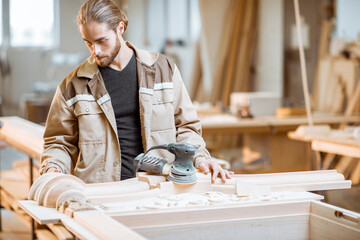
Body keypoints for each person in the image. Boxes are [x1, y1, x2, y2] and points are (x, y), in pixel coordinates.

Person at [40, 0, 233, 183]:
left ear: (120, 29)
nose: (95, 51)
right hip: (101, 192)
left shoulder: (163, 70)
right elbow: (59, 143)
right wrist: (53, 167)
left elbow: (186, 126)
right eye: (88, 42)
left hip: (159, 188)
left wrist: (199, 158)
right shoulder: (73, 86)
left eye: (101, 41)